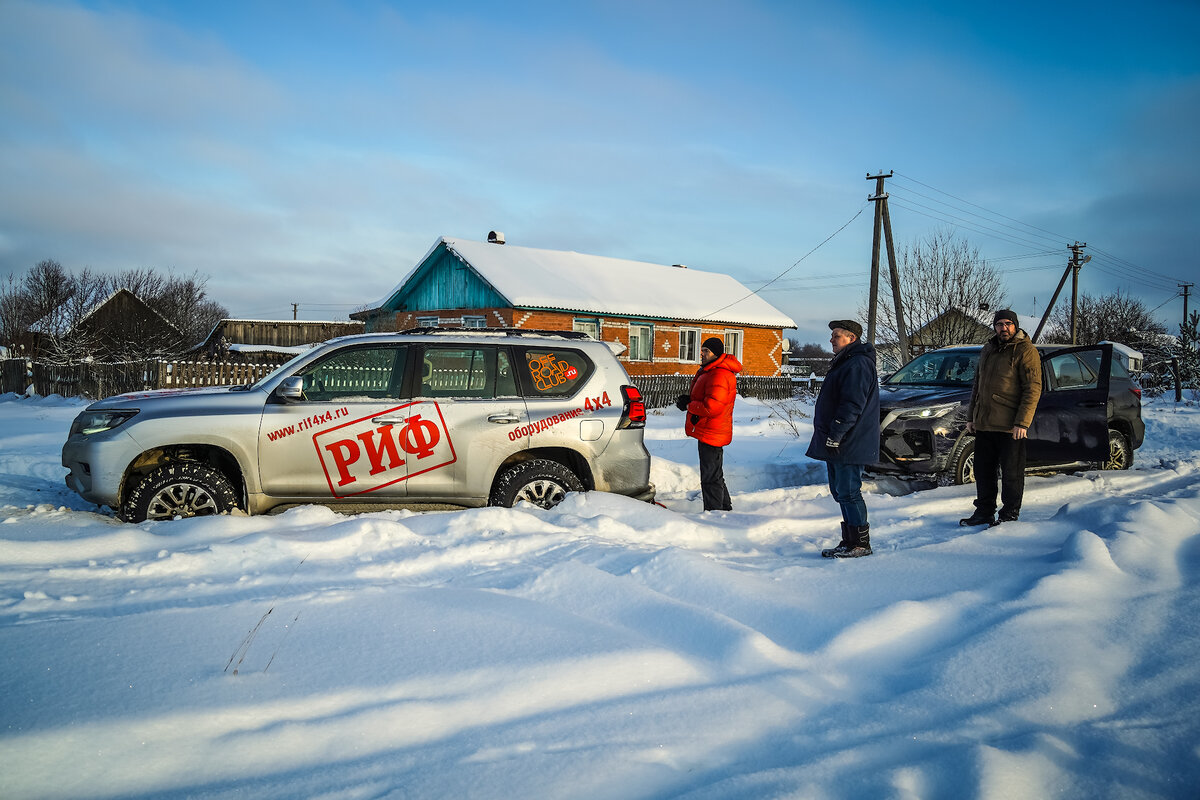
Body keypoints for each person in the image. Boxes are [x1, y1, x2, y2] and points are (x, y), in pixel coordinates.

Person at [960, 309, 1043, 527]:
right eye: (999, 324)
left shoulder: (1026, 350)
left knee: (1011, 473)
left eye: (1008, 324)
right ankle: (984, 512)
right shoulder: (988, 348)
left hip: (1010, 425)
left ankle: (1009, 515)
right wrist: (972, 417)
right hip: (985, 423)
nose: (1003, 328)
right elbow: (977, 385)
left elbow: (1032, 388)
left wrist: (1022, 422)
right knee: (983, 471)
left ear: (1015, 326)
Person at [807, 320, 880, 558]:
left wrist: (837, 433)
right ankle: (849, 541)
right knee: (840, 492)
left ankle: (860, 544)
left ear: (851, 338)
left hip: (849, 439)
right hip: (841, 439)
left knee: (849, 491)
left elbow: (852, 404)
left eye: (836, 336)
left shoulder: (858, 363)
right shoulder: (846, 361)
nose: (831, 339)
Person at [676, 337, 742, 511]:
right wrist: (689, 399)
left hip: (712, 431)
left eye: (706, 351)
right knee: (714, 473)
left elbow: (712, 406)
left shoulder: (719, 374)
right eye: (702, 350)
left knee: (710, 476)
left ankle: (714, 514)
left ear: (716, 354)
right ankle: (725, 509)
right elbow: (708, 398)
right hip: (711, 429)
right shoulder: (712, 371)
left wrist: (690, 405)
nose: (702, 353)